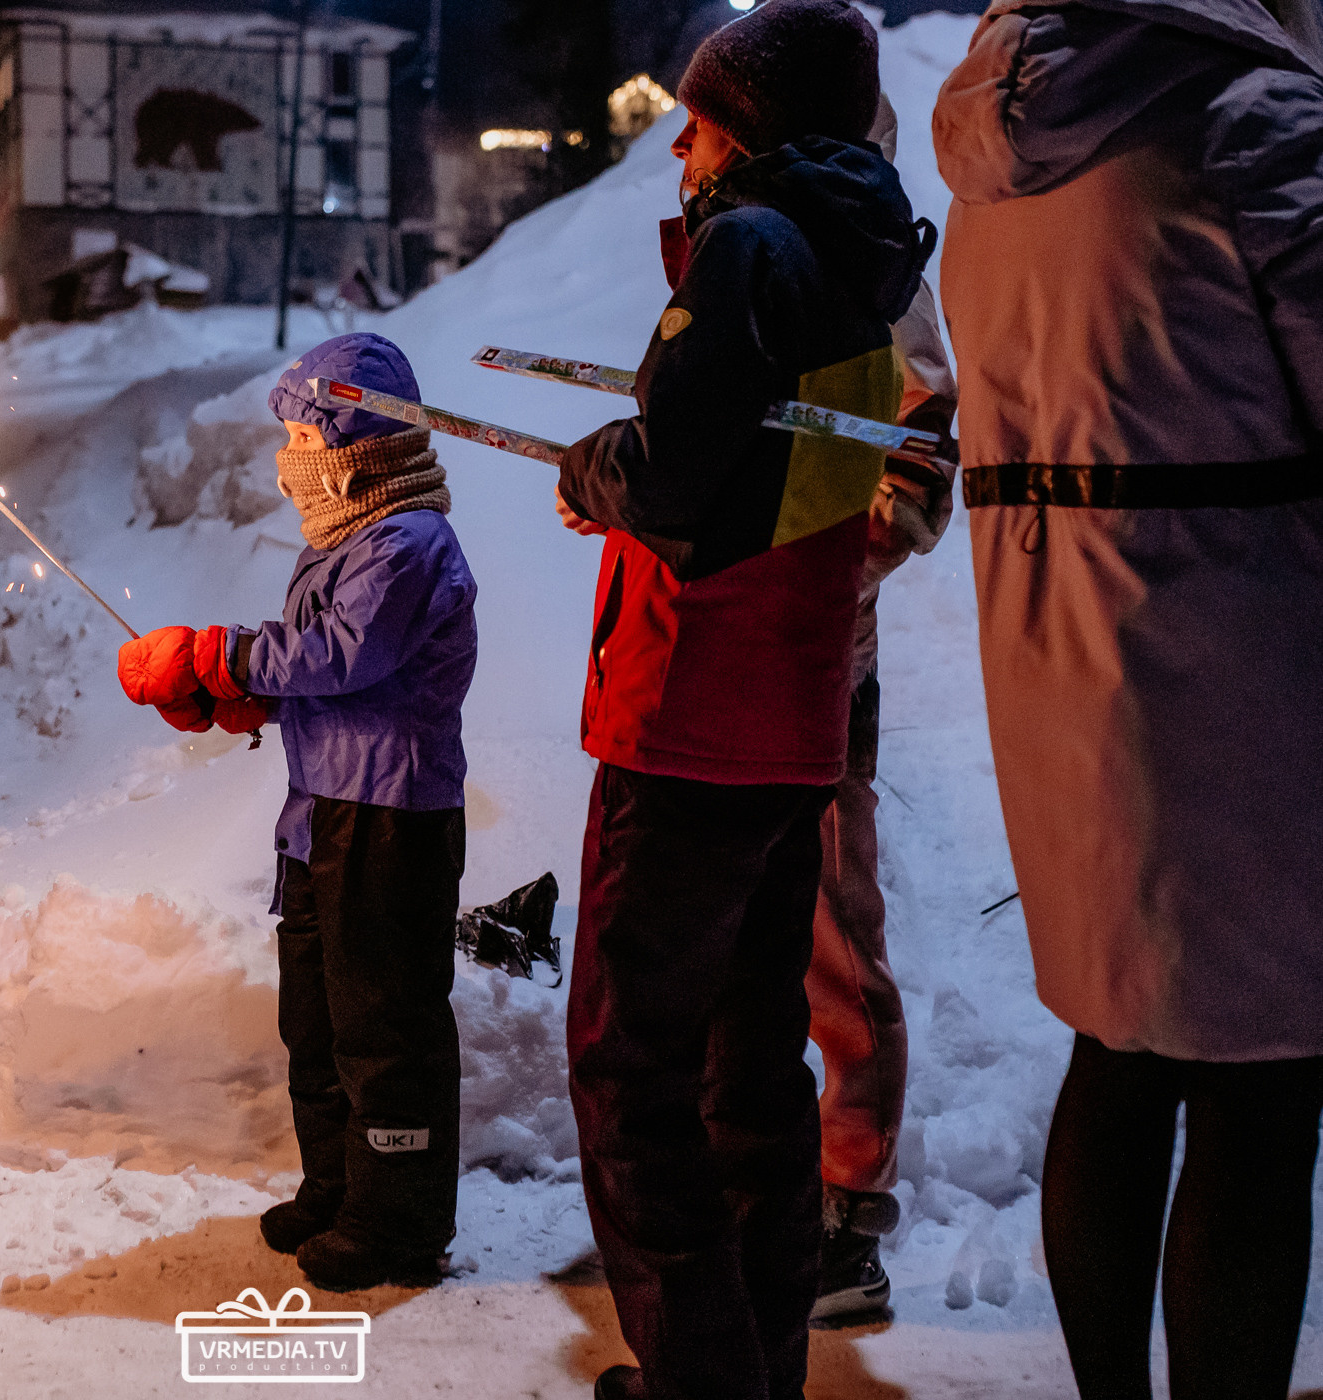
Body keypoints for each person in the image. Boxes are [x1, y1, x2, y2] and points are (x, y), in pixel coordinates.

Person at [933, 0, 1323, 1394]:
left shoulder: (991, 156)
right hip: (1248, 674)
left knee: (1119, 1049)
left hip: (1061, 665)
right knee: (1262, 1093)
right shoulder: (1251, 121)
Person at [550, 0, 933, 1393]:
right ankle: (754, 1367)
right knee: (749, 1070)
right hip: (791, 719)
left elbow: (673, 487)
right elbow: (771, 476)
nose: (681, 157)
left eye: (699, 125)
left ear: (753, 126)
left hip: (691, 721)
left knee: (628, 1073)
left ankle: (701, 1377)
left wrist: (598, 465)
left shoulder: (753, 244)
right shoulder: (856, 254)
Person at [116, 331, 478, 1292]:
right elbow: (316, 668)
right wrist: (249, 698)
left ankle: (397, 1222)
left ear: (358, 445)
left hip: (392, 820)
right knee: (314, 1018)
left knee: (383, 1024)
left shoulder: (407, 544)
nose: (291, 462)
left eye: (307, 441)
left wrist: (223, 657)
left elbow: (344, 653)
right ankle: (340, 1186)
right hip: (324, 811)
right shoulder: (347, 541)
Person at [808, 94, 962, 1325]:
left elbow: (919, 457)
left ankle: (846, 1217)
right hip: (714, 662)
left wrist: (831, 563)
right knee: (745, 936)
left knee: (831, 942)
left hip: (814, 660)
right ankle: (761, 1187)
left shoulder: (877, 267)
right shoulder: (740, 247)